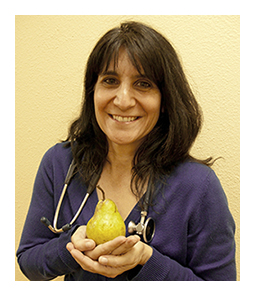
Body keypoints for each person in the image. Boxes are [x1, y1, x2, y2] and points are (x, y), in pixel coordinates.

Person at [16, 21, 236, 281]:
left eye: (143, 84)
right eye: (110, 81)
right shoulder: (60, 163)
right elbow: (28, 262)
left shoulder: (199, 186)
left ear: (164, 100)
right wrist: (70, 249)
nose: (122, 100)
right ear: (93, 91)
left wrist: (146, 261)